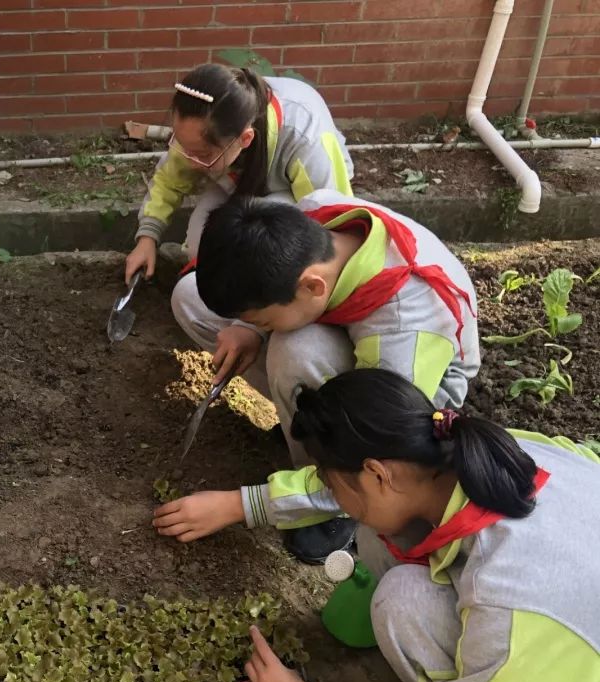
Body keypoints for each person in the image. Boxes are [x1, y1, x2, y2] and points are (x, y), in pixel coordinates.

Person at [232, 368, 600, 682]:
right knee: (384, 543)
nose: (335, 497)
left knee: (401, 602)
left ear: (377, 474)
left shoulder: (514, 602)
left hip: (564, 650)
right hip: (567, 636)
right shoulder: (499, 450)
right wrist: (249, 504)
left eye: (333, 485)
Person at [152, 191, 479, 563]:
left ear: (312, 286)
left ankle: (335, 501)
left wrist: (239, 506)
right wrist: (251, 329)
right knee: (189, 296)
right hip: (352, 343)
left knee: (296, 352)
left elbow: (383, 454)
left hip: (410, 406)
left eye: (262, 318)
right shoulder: (311, 214)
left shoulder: (405, 333)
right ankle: (302, 425)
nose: (259, 325)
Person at [123, 63, 353, 369]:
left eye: (202, 155)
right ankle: (244, 320)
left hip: (299, 205)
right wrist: (147, 237)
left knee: (262, 249)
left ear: (244, 139)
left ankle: (266, 321)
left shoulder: (307, 139)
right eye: (184, 148)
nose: (190, 163)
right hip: (239, 183)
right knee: (199, 248)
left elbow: (328, 224)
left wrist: (253, 326)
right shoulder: (205, 127)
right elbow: (169, 178)